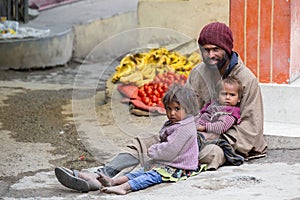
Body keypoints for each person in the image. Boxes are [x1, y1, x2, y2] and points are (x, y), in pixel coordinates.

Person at [55, 21, 267, 192]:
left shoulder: (246, 80)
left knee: (203, 154)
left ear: (227, 50)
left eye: (216, 50)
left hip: (223, 143)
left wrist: (211, 135)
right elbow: (186, 109)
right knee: (150, 142)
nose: (210, 55)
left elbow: (252, 130)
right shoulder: (198, 73)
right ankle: (103, 173)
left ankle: (126, 180)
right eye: (205, 50)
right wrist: (180, 130)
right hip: (194, 131)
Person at [95, 84, 200, 195]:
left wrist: (153, 150)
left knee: (151, 175)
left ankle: (124, 187)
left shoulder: (184, 128)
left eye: (177, 109)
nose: (172, 113)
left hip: (181, 167)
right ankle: (114, 181)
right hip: (172, 161)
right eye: (169, 109)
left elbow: (170, 149)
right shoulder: (177, 123)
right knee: (143, 170)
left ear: (188, 109)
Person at [195, 76, 243, 140]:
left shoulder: (232, 112)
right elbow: (201, 113)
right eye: (224, 94)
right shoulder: (213, 104)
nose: (227, 97)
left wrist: (204, 127)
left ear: (238, 99)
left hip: (209, 134)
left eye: (232, 95)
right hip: (197, 127)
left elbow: (222, 126)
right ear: (218, 96)